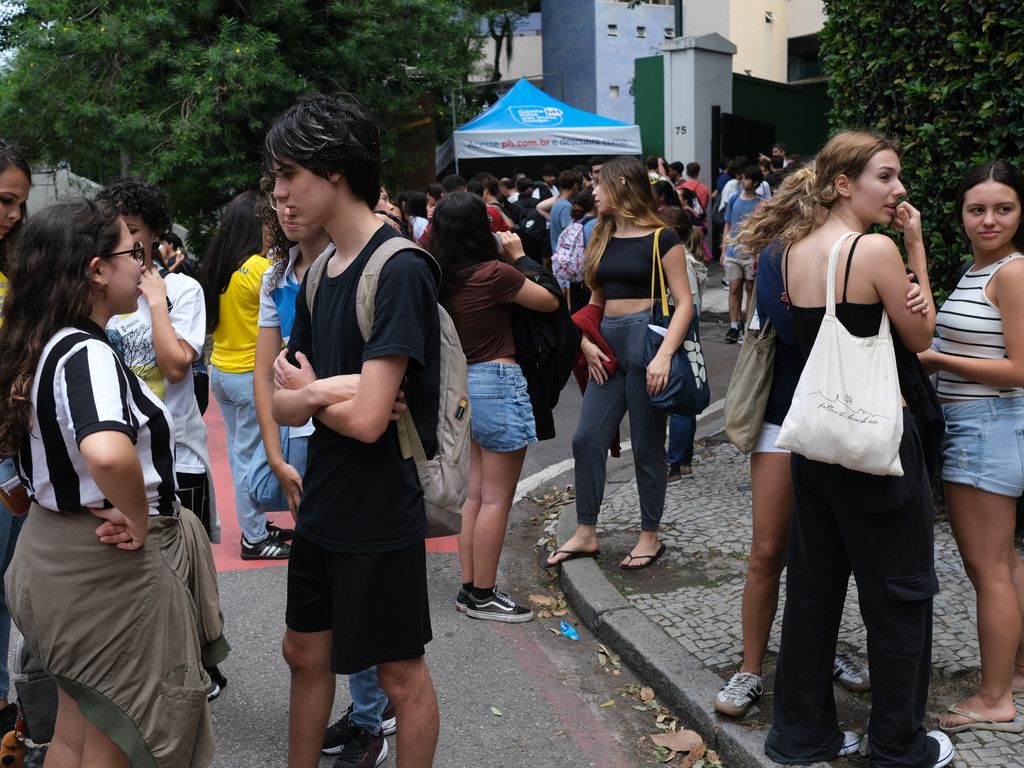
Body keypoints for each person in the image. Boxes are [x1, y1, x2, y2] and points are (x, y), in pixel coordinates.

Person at [734, 130, 953, 767]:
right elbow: (920, 336)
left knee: (813, 592)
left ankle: (801, 736)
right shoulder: (874, 251)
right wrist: (914, 246)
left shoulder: (795, 248)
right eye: (886, 176)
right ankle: (897, 746)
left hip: (817, 443)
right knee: (898, 594)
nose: (899, 188)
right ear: (842, 184)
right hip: (876, 446)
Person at [0, 200, 226, 767]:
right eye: (134, 253)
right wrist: (137, 516)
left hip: (58, 554)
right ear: (97, 269)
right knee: (122, 738)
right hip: (102, 566)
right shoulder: (86, 350)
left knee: (77, 732)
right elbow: (106, 449)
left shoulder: (43, 341)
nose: (143, 265)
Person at [266, 93, 440, 768]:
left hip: (379, 508)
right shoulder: (316, 274)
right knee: (303, 651)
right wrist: (327, 392)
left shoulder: (399, 268)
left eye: (290, 175)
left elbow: (372, 422)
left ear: (335, 169)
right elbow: (281, 407)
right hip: (324, 498)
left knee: (400, 678)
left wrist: (312, 395)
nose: (280, 194)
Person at [254, 183, 397, 765]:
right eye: (277, 202)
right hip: (309, 447)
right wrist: (277, 454)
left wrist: (310, 393)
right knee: (315, 626)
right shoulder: (280, 278)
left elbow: (376, 408)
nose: (286, 209)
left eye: (295, 194)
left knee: (365, 620)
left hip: (362, 460)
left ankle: (369, 718)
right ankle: (364, 716)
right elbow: (273, 380)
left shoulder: (381, 265)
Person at [918, 161, 1024, 734]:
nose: (988, 220)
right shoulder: (978, 268)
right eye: (976, 209)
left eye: (1003, 208)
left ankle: (994, 698)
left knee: (989, 570)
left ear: (1020, 213)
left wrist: (935, 360)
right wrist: (913, 241)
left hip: (985, 424)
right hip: (983, 424)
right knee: (1004, 561)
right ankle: (1018, 669)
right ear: (960, 213)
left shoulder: (1012, 273)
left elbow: (1021, 368)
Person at [546, 156, 693, 570]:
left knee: (648, 447)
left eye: (600, 184)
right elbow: (595, 302)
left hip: (647, 345)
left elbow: (684, 304)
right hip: (608, 348)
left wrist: (663, 357)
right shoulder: (602, 235)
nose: (593, 191)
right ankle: (586, 532)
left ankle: (650, 535)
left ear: (623, 187)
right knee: (586, 439)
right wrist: (586, 342)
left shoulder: (663, 238)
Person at [431, 192, 558, 622]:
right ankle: (484, 593)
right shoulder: (494, 274)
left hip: (458, 390)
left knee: (474, 497)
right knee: (496, 500)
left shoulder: (437, 277)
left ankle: (470, 588)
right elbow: (549, 301)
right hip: (498, 384)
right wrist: (521, 256)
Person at [97, 178, 219, 540]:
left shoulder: (182, 290)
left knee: (185, 567)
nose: (124, 241)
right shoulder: (97, 292)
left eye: (132, 230)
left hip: (178, 456)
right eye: (114, 232)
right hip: (120, 455)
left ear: (155, 233)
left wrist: (154, 299)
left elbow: (176, 367)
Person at [201, 190, 292, 560]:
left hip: (222, 371)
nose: (274, 229)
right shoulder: (257, 270)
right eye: (269, 223)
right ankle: (253, 537)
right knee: (249, 458)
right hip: (249, 375)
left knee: (244, 455)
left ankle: (257, 525)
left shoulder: (223, 267)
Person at [0, 140, 30, 735]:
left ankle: (2, 701)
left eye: (19, 206)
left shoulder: (12, 266)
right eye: (4, 201)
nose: (12, 216)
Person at [660, 208, 706, 482]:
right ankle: (683, 459)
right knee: (683, 392)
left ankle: (674, 463)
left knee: (678, 397)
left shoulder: (680, 261)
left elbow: (689, 303)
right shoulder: (684, 257)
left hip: (680, 329)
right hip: (685, 328)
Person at [721, 166, 763, 343]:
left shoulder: (761, 203)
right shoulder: (733, 199)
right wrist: (723, 250)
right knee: (734, 288)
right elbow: (727, 225)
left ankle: (747, 327)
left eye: (746, 178)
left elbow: (763, 230)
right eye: (742, 178)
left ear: (755, 182)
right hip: (733, 251)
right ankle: (733, 325)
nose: (742, 181)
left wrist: (758, 253)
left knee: (750, 290)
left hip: (751, 252)